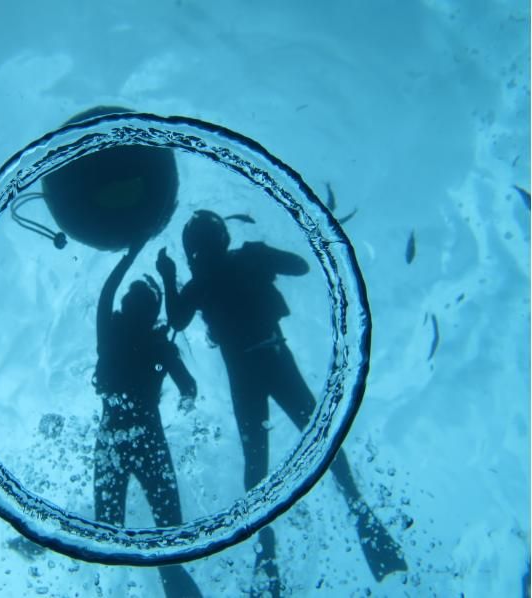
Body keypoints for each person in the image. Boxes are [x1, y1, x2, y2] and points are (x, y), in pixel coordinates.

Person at [156, 210, 407, 597]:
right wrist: (263, 255)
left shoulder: (198, 283)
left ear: (193, 251)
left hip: (245, 374)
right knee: (320, 435)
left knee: (257, 464)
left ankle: (266, 553)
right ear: (221, 237)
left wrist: (167, 275)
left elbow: (176, 319)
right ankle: (357, 507)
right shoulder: (244, 259)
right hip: (275, 359)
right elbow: (301, 266)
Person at [93, 241, 202, 598]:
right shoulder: (157, 345)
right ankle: (169, 579)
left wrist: (129, 256)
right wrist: (187, 399)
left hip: (113, 436)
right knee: (165, 535)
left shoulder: (110, 335)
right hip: (147, 437)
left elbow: (107, 292)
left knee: (109, 535)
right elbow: (189, 387)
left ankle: (158, 581)